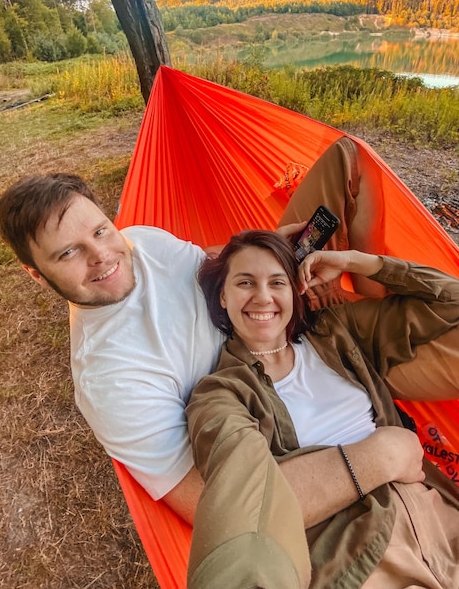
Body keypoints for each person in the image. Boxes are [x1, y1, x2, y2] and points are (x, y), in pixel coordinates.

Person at [0, 137, 458, 528]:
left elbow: (201, 262)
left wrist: (274, 250)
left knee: (349, 157)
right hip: (324, 365)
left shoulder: (140, 241)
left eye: (100, 230)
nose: (103, 256)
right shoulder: (111, 377)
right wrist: (380, 458)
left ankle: (363, 286)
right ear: (36, 273)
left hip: (299, 315)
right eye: (69, 253)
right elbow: (215, 506)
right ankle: (375, 303)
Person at [186, 230, 459, 589]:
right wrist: (384, 454)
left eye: (277, 282)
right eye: (245, 282)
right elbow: (247, 506)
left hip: (441, 519)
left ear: (294, 289)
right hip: (363, 560)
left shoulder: (337, 333)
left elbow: (451, 303)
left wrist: (357, 262)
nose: (263, 296)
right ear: (223, 296)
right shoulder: (221, 395)